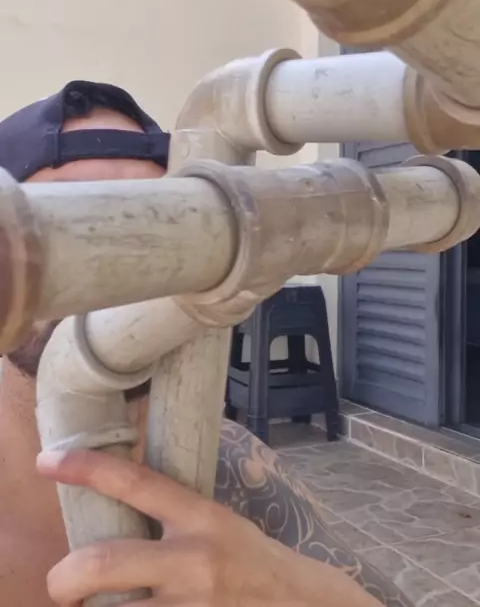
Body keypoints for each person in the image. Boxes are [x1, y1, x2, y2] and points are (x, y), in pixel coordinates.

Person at [0, 80, 412, 607]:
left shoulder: (234, 464)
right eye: (62, 224)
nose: (113, 269)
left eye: (151, 224)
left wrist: (298, 593)